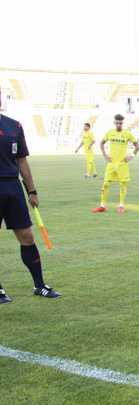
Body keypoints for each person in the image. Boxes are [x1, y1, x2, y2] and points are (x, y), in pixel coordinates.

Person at [0, 90, 61, 303]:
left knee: (27, 237)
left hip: (13, 187)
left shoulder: (14, 126)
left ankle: (39, 285)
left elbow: (22, 161)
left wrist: (32, 191)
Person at [93, 114, 139, 213]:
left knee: (122, 185)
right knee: (105, 184)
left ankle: (121, 206)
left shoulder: (127, 134)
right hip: (111, 163)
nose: (119, 125)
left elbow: (137, 146)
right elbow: (101, 143)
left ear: (123, 123)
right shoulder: (110, 133)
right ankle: (102, 205)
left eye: (120, 123)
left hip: (122, 163)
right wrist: (105, 155)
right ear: (114, 122)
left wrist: (131, 156)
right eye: (117, 123)